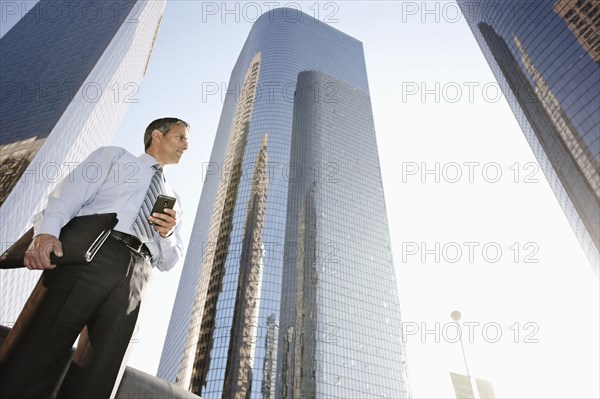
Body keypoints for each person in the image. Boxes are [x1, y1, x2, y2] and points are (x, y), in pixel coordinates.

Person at [0, 117, 190, 398]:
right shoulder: (113, 156)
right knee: (40, 344)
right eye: (181, 137)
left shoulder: (173, 198)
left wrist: (167, 234)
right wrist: (47, 233)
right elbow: (67, 195)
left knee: (102, 372)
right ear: (157, 136)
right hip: (92, 254)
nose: (186, 146)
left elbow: (170, 261)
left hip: (139, 274)